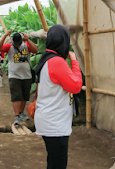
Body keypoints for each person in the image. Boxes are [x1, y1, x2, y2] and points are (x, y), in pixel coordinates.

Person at [34, 25, 82, 169]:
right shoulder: (56, 61)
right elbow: (75, 86)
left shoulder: (47, 58)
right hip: (54, 123)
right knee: (58, 164)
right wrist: (74, 61)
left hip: (49, 120)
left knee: (54, 161)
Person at [0, 30, 38, 125]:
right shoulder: (9, 47)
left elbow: (35, 50)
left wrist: (28, 40)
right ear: (12, 41)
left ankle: (21, 113)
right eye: (16, 44)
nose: (18, 45)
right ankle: (16, 116)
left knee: (24, 96)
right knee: (16, 97)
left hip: (26, 76)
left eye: (19, 43)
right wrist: (4, 36)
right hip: (14, 76)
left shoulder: (26, 45)